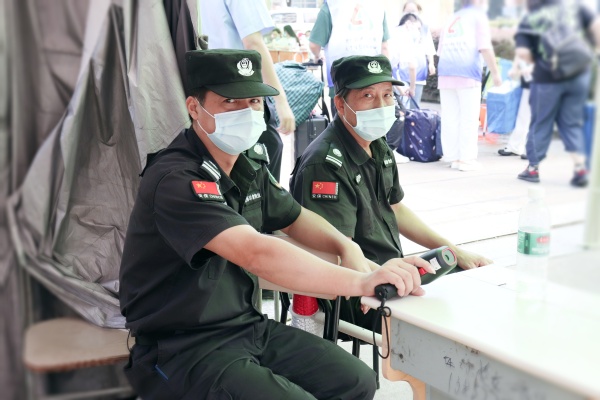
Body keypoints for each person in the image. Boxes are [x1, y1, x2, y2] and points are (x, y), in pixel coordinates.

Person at [119, 49, 434, 400]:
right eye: (230, 102)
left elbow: (294, 217)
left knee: (356, 380)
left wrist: (347, 246)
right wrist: (360, 282)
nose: (247, 112)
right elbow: (255, 252)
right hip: (181, 347)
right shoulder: (176, 179)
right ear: (195, 108)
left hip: (244, 326)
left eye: (254, 101)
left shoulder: (248, 164)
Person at [289, 54, 493, 339]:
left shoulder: (376, 144)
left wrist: (454, 250)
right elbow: (338, 253)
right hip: (356, 293)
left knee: (474, 281)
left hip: (393, 273)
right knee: (457, 315)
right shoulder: (325, 164)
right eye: (368, 96)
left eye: (387, 95)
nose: (381, 105)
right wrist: (386, 276)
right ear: (340, 104)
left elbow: (395, 207)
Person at [199, 0, 295, 181]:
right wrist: (280, 100)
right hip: (240, 90)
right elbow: (253, 43)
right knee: (266, 154)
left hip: (207, 92)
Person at [514, 0, 600, 187]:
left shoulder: (531, 18)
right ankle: (580, 169)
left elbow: (523, 52)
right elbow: (597, 27)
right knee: (572, 122)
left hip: (547, 77)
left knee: (541, 120)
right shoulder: (575, 7)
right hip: (579, 74)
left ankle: (533, 169)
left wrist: (538, 62)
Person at [436, 0, 502, 172]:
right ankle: (466, 159)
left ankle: (452, 157)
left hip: (445, 73)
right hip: (467, 73)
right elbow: (485, 47)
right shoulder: (478, 16)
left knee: (450, 118)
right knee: (469, 118)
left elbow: (440, 51)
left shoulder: (451, 18)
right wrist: (495, 73)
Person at [308, 0, 390, 115]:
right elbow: (384, 47)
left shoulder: (331, 6)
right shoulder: (378, 6)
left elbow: (314, 45)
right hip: (373, 81)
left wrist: (317, 56)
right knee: (371, 124)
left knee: (344, 125)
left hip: (342, 83)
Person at [399, 1, 437, 107]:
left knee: (415, 106)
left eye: (413, 11)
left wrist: (431, 63)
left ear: (418, 12)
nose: (410, 13)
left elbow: (429, 47)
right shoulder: (398, 27)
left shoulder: (424, 28)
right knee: (403, 105)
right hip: (401, 72)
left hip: (419, 71)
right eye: (408, 11)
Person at [498, 56, 533, 159]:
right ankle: (515, 147)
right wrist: (515, 68)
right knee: (523, 116)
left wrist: (528, 68)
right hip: (530, 81)